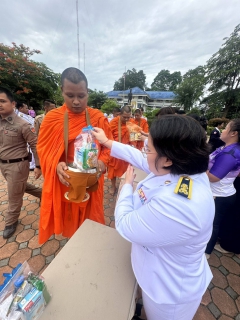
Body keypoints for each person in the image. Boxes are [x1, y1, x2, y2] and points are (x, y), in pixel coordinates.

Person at [92, 115, 214, 320]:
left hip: (168, 291)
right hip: (156, 270)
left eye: (148, 148)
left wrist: (126, 188)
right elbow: (143, 160)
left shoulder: (180, 204)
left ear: (168, 158)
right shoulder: (183, 167)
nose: (144, 153)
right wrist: (108, 142)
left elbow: (124, 224)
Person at [37, 67, 112, 244]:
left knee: (90, 213)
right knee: (68, 212)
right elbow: (43, 149)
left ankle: (87, 241)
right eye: (70, 96)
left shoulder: (98, 117)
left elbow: (109, 147)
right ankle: (73, 241)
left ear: (88, 93)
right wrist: (56, 165)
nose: (77, 101)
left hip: (92, 177)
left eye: (82, 96)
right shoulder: (52, 118)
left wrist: (101, 163)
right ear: (62, 92)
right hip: (66, 177)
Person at [0, 87, 42, 239]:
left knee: (13, 195)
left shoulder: (23, 124)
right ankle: (43, 194)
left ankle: (11, 222)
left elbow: (35, 145)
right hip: (3, 165)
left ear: (12, 104)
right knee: (19, 187)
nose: (0, 104)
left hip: (18, 165)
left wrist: (38, 166)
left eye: (2, 101)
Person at [205, 119, 240, 258]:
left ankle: (206, 253)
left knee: (212, 225)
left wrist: (198, 167)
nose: (223, 130)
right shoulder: (229, 148)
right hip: (219, 192)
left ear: (234, 133)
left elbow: (214, 177)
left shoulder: (231, 153)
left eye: (226, 128)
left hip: (219, 195)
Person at [108, 105, 132, 195]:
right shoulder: (113, 122)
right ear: (119, 114)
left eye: (128, 117)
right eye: (124, 117)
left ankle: (124, 186)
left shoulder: (131, 123)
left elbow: (134, 137)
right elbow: (108, 137)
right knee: (112, 171)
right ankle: (113, 186)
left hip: (126, 151)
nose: (126, 119)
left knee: (127, 171)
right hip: (115, 151)